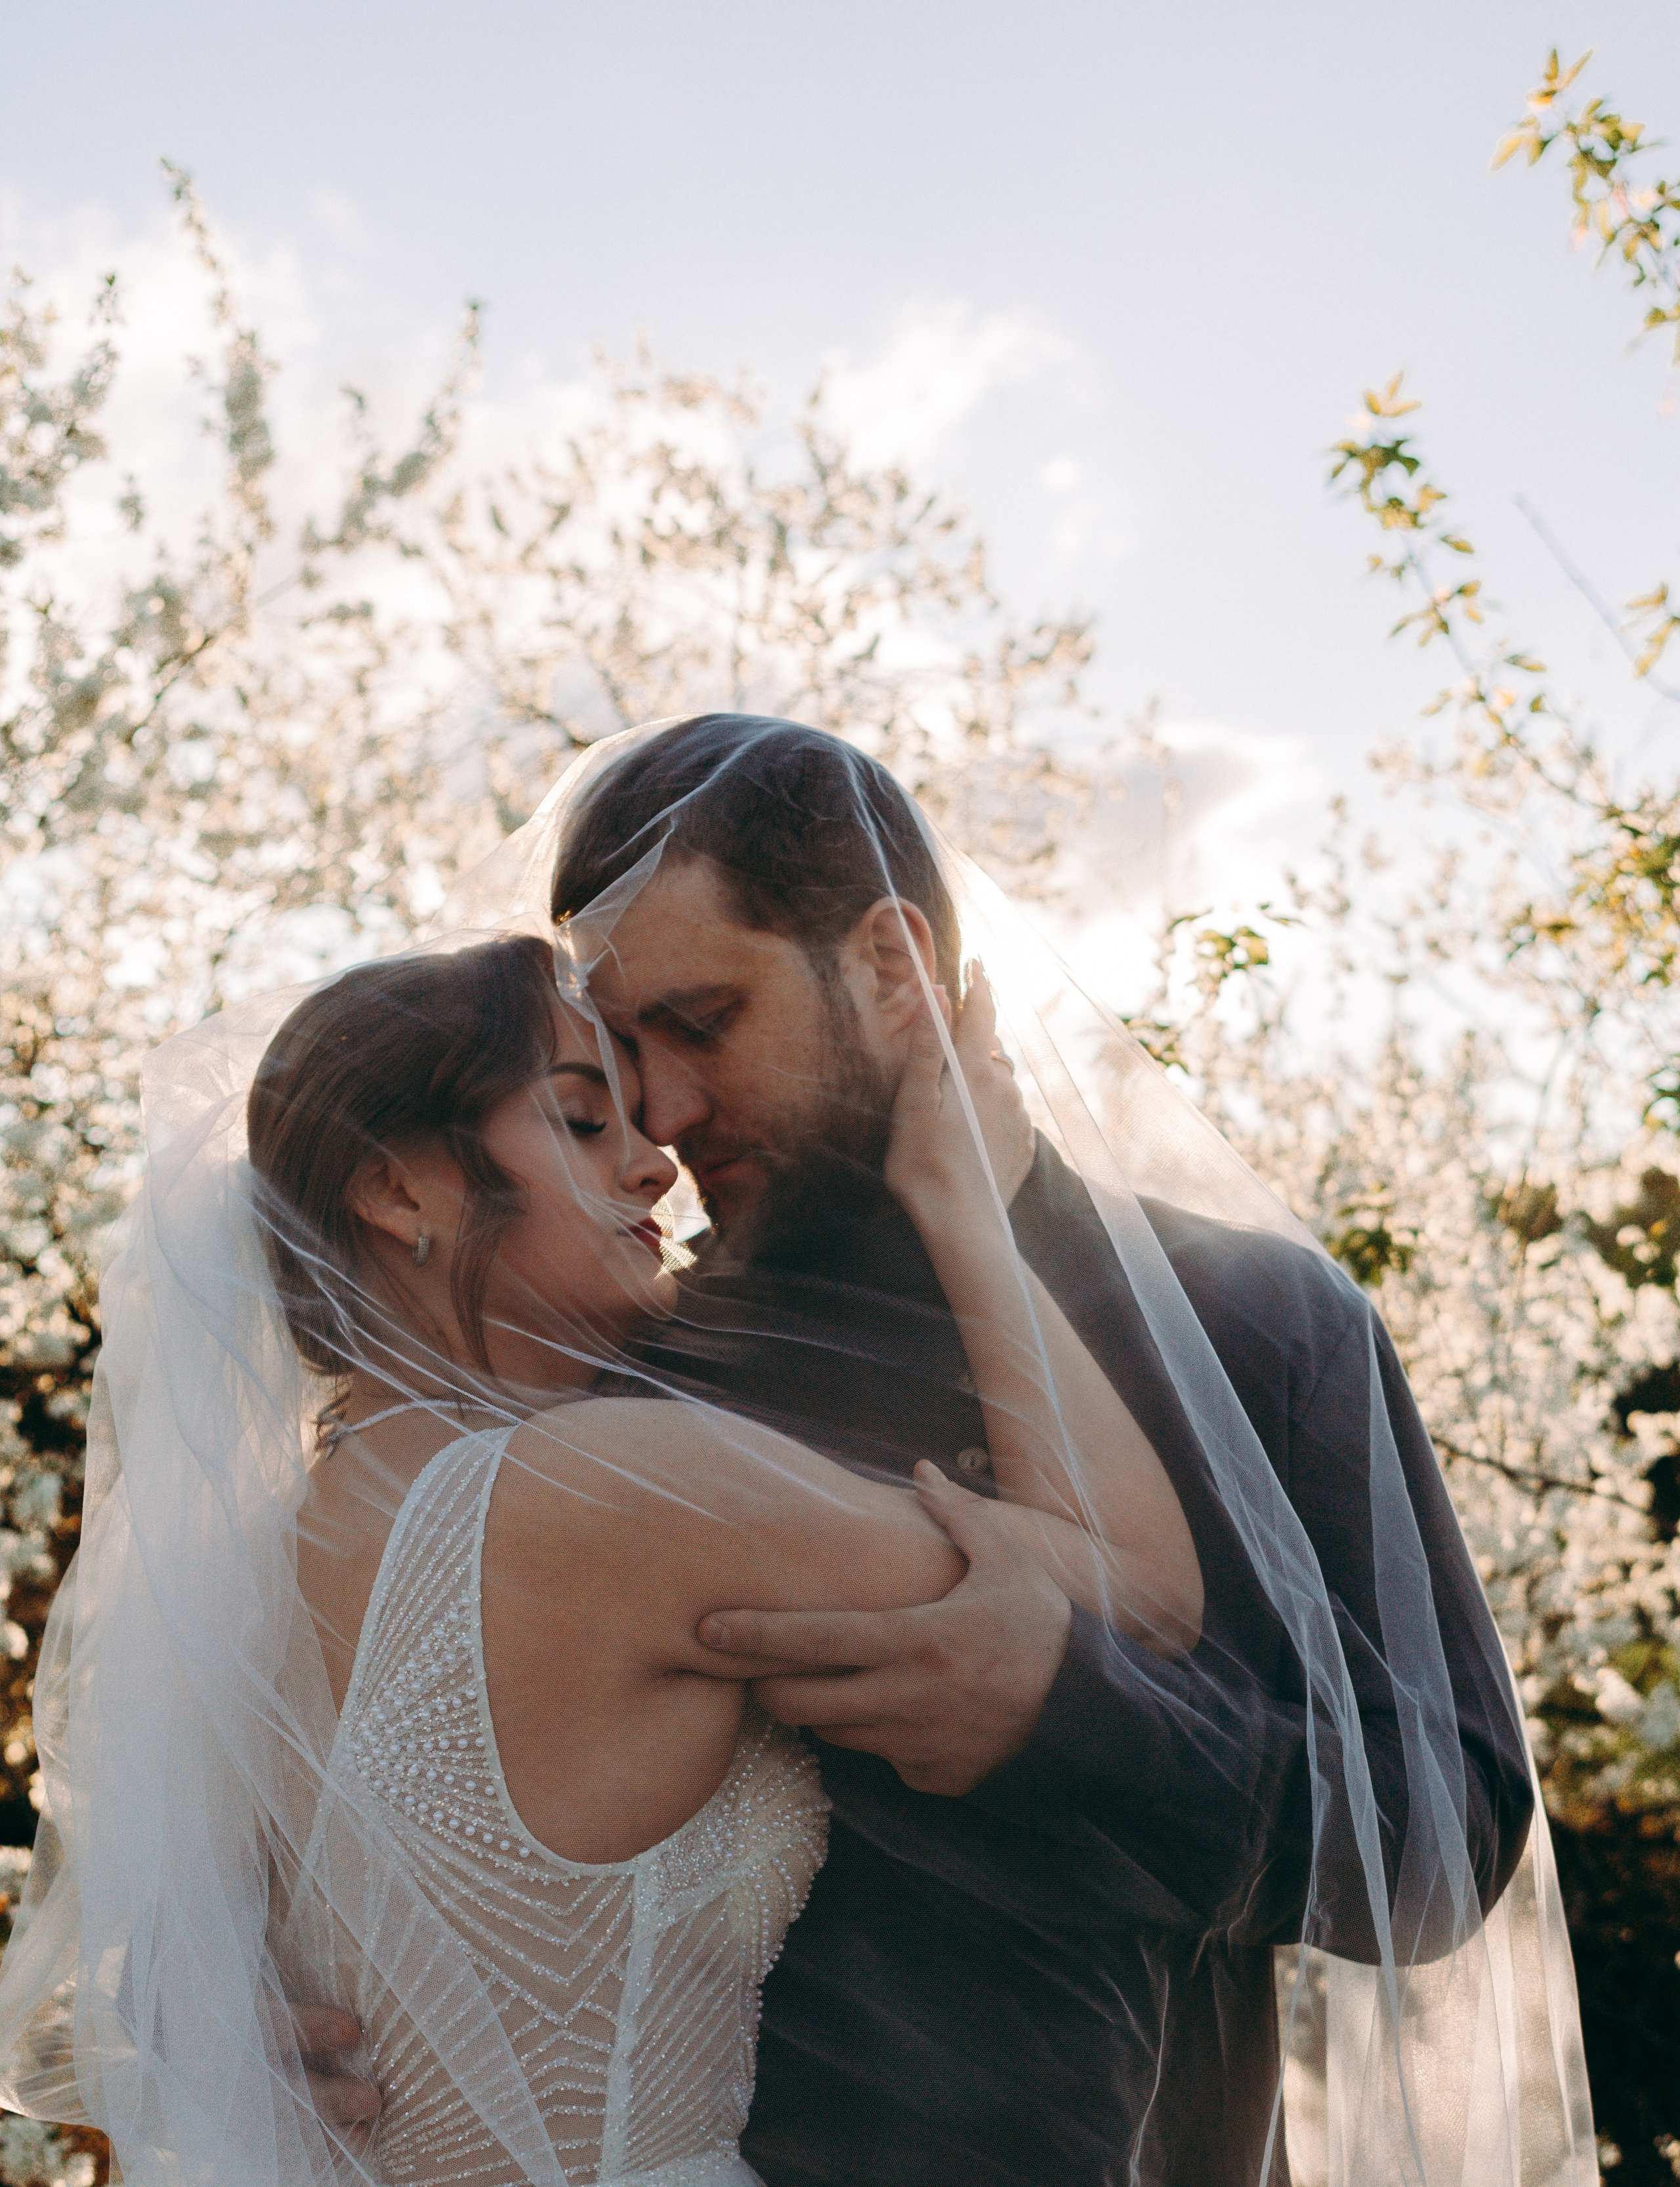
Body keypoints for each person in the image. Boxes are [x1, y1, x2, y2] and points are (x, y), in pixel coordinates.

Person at [0, 928, 1199, 2187]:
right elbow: (1144, 1590)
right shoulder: (620, 1487)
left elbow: (95, 1999)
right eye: (581, 1122)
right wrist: (964, 1189)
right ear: (397, 1191)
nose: (654, 1166)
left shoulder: (241, 1570)